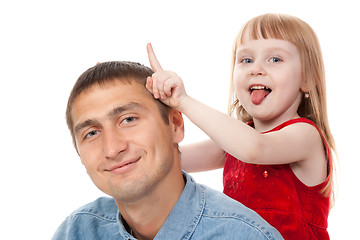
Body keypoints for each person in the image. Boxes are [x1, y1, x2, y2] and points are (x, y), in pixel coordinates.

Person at [146, 13, 336, 239]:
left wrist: (183, 101)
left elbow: (254, 148)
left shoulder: (306, 135)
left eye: (275, 59)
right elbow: (167, 159)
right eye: (246, 60)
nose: (256, 69)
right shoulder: (233, 143)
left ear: (307, 78)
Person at [52, 61, 283, 240]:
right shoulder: (76, 231)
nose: (112, 149)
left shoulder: (246, 235)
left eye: (128, 119)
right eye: (91, 133)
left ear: (175, 125)